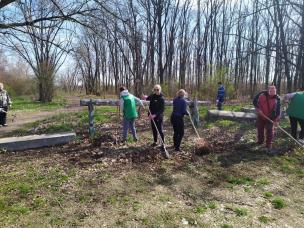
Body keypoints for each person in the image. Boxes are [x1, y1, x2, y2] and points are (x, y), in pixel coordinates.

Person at [253, 85, 281, 154]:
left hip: (271, 117)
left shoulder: (277, 99)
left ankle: (268, 144)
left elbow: (278, 111)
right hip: (261, 115)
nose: (273, 92)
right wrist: (258, 109)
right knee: (260, 128)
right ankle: (260, 141)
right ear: (268, 91)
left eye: (274, 91)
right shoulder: (262, 96)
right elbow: (256, 103)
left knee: (270, 130)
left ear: (276, 91)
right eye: (271, 91)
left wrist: (276, 120)